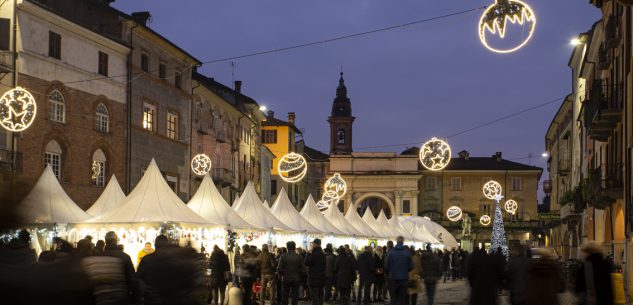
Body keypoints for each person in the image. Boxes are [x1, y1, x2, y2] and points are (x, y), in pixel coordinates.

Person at [136, 234, 206, 305]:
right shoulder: (180, 257)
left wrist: (142, 296)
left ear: (155, 245)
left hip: (152, 300)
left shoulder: (147, 259)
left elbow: (138, 279)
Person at [385, 236, 412, 305]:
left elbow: (386, 265)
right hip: (404, 278)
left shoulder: (391, 252)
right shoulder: (407, 253)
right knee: (402, 298)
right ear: (403, 242)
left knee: (394, 298)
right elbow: (410, 266)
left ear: (396, 242)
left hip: (393, 277)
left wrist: (389, 272)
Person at [277, 241, 305, 305]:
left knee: (285, 295)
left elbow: (279, 268)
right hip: (296, 278)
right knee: (295, 295)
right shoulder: (299, 257)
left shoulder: (283, 256)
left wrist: (284, 272)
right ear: (294, 247)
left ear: (287, 247)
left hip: (286, 278)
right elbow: (304, 269)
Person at [305, 238, 326, 305]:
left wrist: (308, 254)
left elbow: (307, 262)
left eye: (313, 244)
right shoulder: (322, 254)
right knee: (320, 295)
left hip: (314, 278)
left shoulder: (314, 253)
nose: (312, 245)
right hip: (321, 278)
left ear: (315, 244)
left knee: (315, 296)